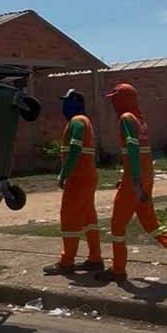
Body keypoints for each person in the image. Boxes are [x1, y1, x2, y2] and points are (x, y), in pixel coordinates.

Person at [96, 83, 167, 284]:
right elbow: (140, 154)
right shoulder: (140, 121)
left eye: (115, 99)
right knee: (151, 222)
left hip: (135, 181)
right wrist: (133, 177)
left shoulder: (126, 119)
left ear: (124, 100)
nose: (113, 104)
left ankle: (118, 270)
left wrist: (133, 182)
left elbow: (133, 150)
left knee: (117, 225)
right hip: (146, 176)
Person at [43, 89, 104, 275]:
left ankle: (66, 262)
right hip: (88, 177)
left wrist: (64, 173)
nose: (64, 106)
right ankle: (95, 259)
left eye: (67, 101)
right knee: (89, 219)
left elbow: (75, 149)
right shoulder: (85, 121)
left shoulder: (77, 121)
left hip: (78, 178)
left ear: (76, 103)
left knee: (69, 218)